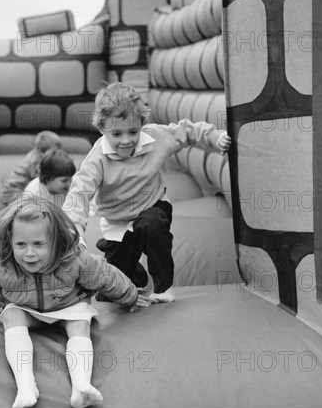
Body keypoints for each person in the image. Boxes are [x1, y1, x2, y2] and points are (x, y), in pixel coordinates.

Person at [0, 200, 150, 408]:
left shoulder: (73, 259)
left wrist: (131, 297)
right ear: (10, 240)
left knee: (80, 324)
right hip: (25, 308)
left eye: (38, 244)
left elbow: (106, 276)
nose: (29, 253)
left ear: (54, 241)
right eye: (21, 245)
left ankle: (82, 386)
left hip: (67, 305)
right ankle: (25, 387)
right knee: (11, 316)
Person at [62, 82, 232, 304]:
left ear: (142, 123)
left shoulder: (156, 137)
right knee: (110, 290)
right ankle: (136, 275)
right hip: (118, 222)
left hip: (154, 206)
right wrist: (73, 232)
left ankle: (164, 287)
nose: (126, 140)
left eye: (133, 131)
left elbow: (186, 131)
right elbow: (79, 193)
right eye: (116, 133)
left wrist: (215, 138)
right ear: (101, 128)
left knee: (149, 224)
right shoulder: (97, 158)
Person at [0, 130, 62, 207]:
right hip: (13, 194)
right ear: (40, 151)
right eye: (53, 152)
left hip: (23, 190)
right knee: (37, 204)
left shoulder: (43, 156)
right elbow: (43, 182)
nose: (56, 155)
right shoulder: (35, 162)